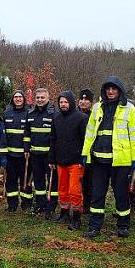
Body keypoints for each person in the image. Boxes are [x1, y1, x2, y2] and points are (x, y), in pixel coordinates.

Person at [81, 78, 135, 238]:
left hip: (120, 160)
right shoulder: (97, 108)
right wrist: (85, 154)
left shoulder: (129, 109)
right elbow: (89, 133)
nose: (110, 92)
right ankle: (94, 226)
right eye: (108, 89)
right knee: (97, 193)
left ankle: (123, 225)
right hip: (99, 160)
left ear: (119, 90)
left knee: (121, 194)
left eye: (114, 89)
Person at [50, 91, 89, 228]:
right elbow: (53, 139)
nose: (63, 104)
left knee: (75, 190)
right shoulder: (56, 118)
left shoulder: (81, 118)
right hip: (61, 161)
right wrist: (52, 158)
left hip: (76, 161)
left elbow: (85, 140)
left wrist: (83, 158)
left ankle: (77, 218)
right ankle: (64, 214)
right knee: (63, 189)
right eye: (61, 102)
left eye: (66, 102)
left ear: (71, 102)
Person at [26, 88, 58, 218]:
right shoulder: (31, 113)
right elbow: (27, 133)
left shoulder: (54, 113)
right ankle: (40, 204)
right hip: (35, 154)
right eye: (37, 98)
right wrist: (26, 148)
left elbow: (56, 136)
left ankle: (51, 207)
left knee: (52, 182)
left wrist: (54, 154)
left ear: (48, 98)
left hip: (49, 156)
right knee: (38, 181)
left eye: (42, 98)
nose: (39, 100)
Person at [77, 88, 94, 215]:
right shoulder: (74, 115)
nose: (83, 102)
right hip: (76, 154)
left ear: (91, 102)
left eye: (86, 99)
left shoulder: (94, 116)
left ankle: (88, 205)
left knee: (89, 182)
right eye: (81, 99)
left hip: (90, 155)